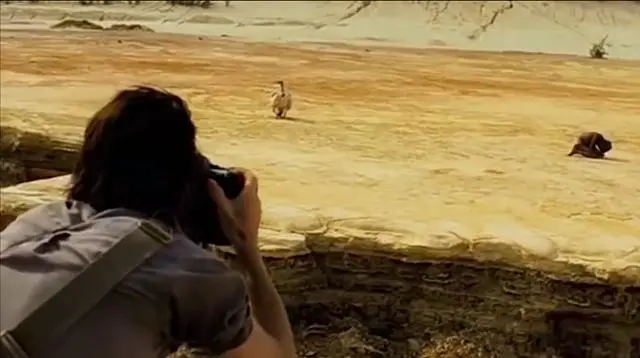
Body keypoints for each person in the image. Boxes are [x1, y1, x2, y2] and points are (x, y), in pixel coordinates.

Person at [0, 86, 296, 358]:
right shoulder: (186, 270)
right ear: (185, 183)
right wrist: (248, 250)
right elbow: (280, 354)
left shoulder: (35, 224)